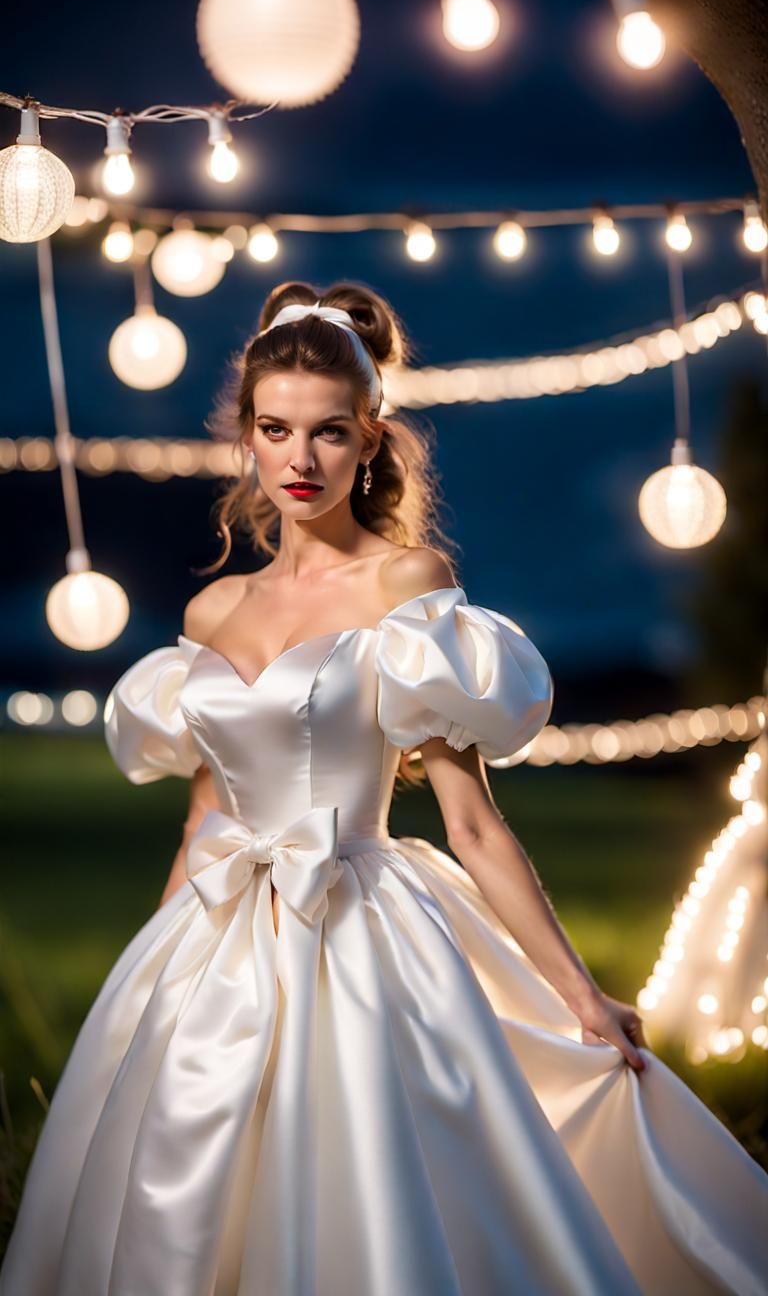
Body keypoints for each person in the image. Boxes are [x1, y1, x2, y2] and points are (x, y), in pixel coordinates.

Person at [2, 281, 766, 1296]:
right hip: (217, 937)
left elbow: (473, 823)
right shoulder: (209, 612)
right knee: (180, 1197)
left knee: (372, 1185)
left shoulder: (406, 587)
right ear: (247, 438)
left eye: (327, 433)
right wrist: (150, 984)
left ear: (371, 441)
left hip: (362, 925)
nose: (300, 459)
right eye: (275, 429)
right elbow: (206, 817)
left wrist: (581, 995)